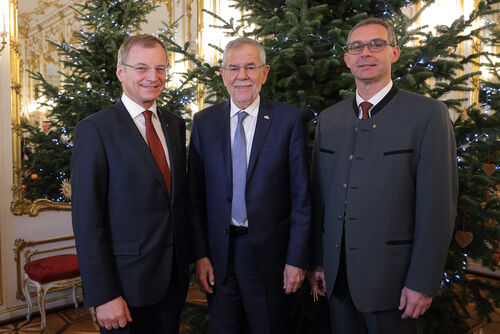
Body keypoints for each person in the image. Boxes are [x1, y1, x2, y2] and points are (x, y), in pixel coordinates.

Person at [309, 18, 458, 334]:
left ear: (395, 53)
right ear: (347, 59)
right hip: (337, 281)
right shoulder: (329, 119)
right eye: (356, 47)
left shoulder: (428, 116)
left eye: (376, 44)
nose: (366, 53)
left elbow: (437, 209)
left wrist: (423, 281)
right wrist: (319, 262)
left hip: (396, 285)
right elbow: (319, 199)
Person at [188, 37, 311, 334]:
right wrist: (201, 256)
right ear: (222, 74)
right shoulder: (204, 122)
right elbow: (195, 198)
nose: (241, 76)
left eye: (250, 67)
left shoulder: (288, 120)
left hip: (271, 258)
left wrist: (297, 260)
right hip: (219, 257)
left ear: (265, 73)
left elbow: (301, 198)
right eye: (233, 68)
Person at [71, 34, 189, 333]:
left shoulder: (175, 125)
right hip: (124, 289)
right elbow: (88, 221)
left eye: (161, 68)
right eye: (142, 68)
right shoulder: (95, 129)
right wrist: (104, 294)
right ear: (120, 71)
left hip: (172, 281)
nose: (153, 77)